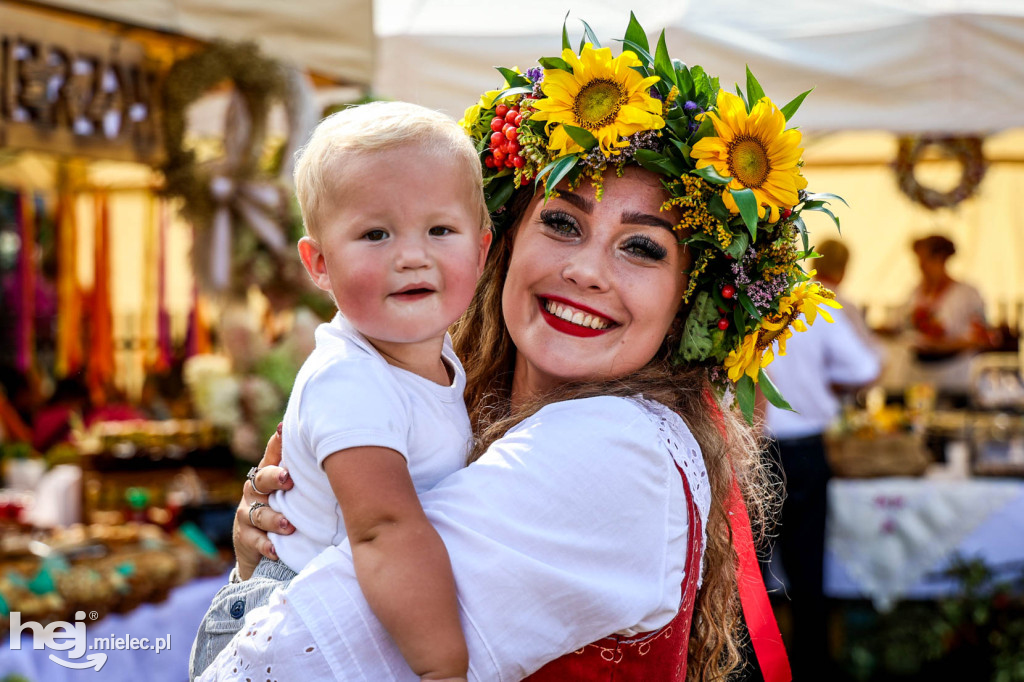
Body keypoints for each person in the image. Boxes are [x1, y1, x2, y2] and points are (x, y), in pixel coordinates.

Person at [197, 18, 844, 681]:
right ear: (502, 242)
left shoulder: (610, 447)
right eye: (562, 223)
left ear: (687, 300)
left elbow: (276, 664)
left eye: (643, 247)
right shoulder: (447, 394)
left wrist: (265, 591)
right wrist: (284, 544)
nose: (587, 272)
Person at [190, 102, 493, 681]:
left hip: (346, 610)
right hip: (287, 622)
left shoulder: (439, 355)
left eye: (440, 229)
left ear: (479, 251)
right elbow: (385, 530)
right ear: (320, 263)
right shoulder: (349, 378)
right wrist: (445, 671)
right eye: (375, 233)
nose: (411, 255)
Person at [762, 240, 880, 679]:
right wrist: (824, 384)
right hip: (806, 449)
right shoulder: (818, 307)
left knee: (751, 573)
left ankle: (752, 667)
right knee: (806, 566)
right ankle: (812, 666)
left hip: (755, 448)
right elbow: (867, 369)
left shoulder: (743, 302)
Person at [904, 234, 988, 398]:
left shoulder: (967, 294)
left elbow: (981, 337)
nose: (919, 265)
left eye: (923, 259)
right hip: (919, 372)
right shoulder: (916, 292)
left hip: (955, 373)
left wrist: (943, 346)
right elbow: (905, 325)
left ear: (940, 258)